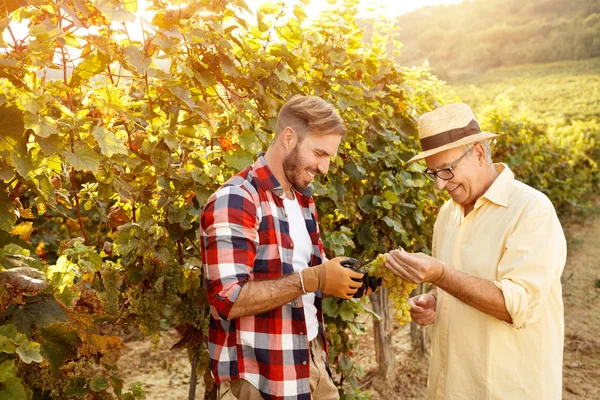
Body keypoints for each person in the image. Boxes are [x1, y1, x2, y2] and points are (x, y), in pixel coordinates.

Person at [385, 103, 566, 399]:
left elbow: (515, 306)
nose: (440, 184)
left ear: (479, 153)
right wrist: (432, 300)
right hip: (452, 385)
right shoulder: (447, 213)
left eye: (447, 170)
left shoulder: (531, 210)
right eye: (433, 174)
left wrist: (441, 275)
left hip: (507, 388)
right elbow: (453, 286)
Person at [200, 95, 376, 400]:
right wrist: (314, 279)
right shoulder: (238, 199)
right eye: (319, 153)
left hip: (309, 359)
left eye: (330, 157)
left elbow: (306, 274)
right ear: (289, 137)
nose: (324, 167)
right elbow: (227, 299)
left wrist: (351, 279)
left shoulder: (303, 199)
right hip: (260, 376)